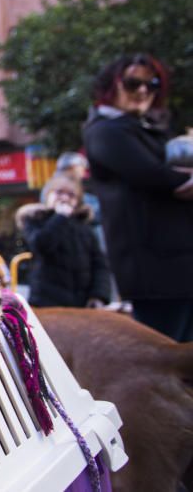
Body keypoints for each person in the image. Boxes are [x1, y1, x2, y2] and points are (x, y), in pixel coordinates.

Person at [83, 54, 193, 342]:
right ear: (113, 86)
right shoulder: (105, 131)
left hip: (178, 265)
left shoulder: (147, 127)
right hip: (156, 270)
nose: (143, 91)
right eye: (133, 83)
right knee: (168, 357)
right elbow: (154, 175)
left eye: (151, 84)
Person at [15, 173, 112, 308]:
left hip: (81, 303)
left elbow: (100, 264)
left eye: (71, 195)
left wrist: (99, 295)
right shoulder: (35, 220)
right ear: (48, 195)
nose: (65, 198)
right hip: (46, 302)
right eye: (59, 192)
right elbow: (41, 245)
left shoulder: (84, 226)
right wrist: (60, 217)